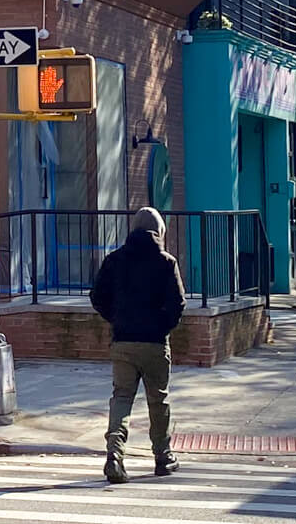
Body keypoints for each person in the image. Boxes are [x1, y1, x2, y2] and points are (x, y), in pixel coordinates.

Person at [89, 206, 186, 484]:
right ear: (160, 231)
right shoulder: (166, 262)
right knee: (159, 400)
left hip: (123, 340)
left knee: (121, 398)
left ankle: (115, 456)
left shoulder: (114, 260)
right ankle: (163, 456)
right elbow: (178, 303)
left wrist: (117, 319)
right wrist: (163, 326)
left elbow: (97, 296)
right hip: (155, 342)